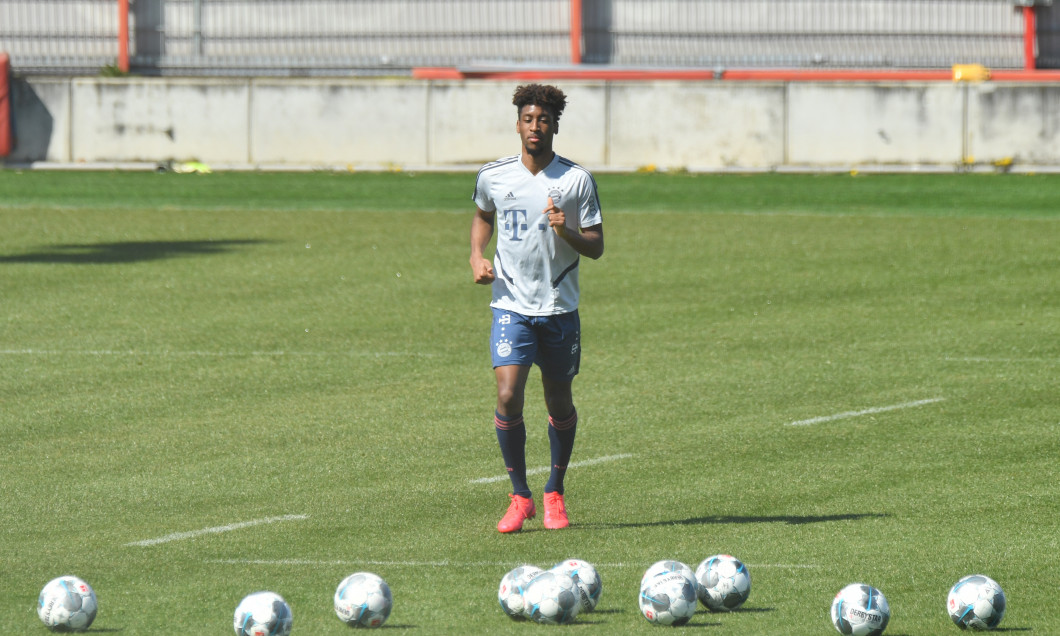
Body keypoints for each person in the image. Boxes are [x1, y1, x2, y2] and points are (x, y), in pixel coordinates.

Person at [469, 84, 604, 533]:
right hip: (510, 304)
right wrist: (476, 255)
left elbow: (597, 246)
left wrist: (566, 233)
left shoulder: (575, 180)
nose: (535, 127)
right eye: (528, 119)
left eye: (543, 120)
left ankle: (554, 492)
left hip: (559, 308)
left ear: (555, 126)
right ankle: (519, 496)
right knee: (507, 394)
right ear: (518, 124)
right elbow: (483, 215)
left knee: (559, 400)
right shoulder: (494, 175)